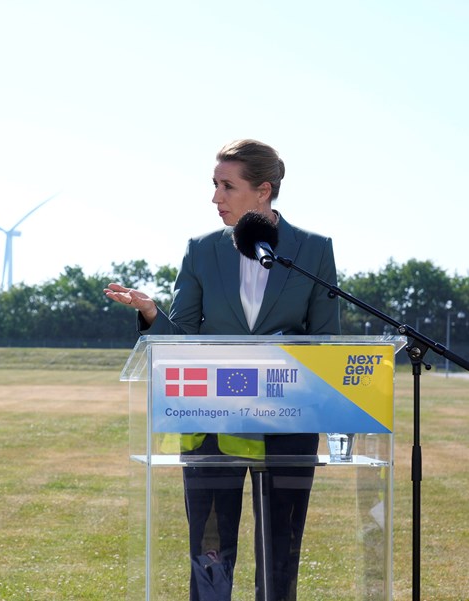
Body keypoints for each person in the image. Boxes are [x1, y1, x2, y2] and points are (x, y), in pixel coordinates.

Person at [104, 139, 339, 601]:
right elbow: (181, 342)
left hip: (288, 426)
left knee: (281, 556)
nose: (216, 198)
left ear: (263, 191)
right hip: (212, 423)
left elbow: (324, 345)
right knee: (210, 557)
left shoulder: (314, 251)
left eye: (227, 186)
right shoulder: (200, 251)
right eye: (215, 185)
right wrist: (152, 314)